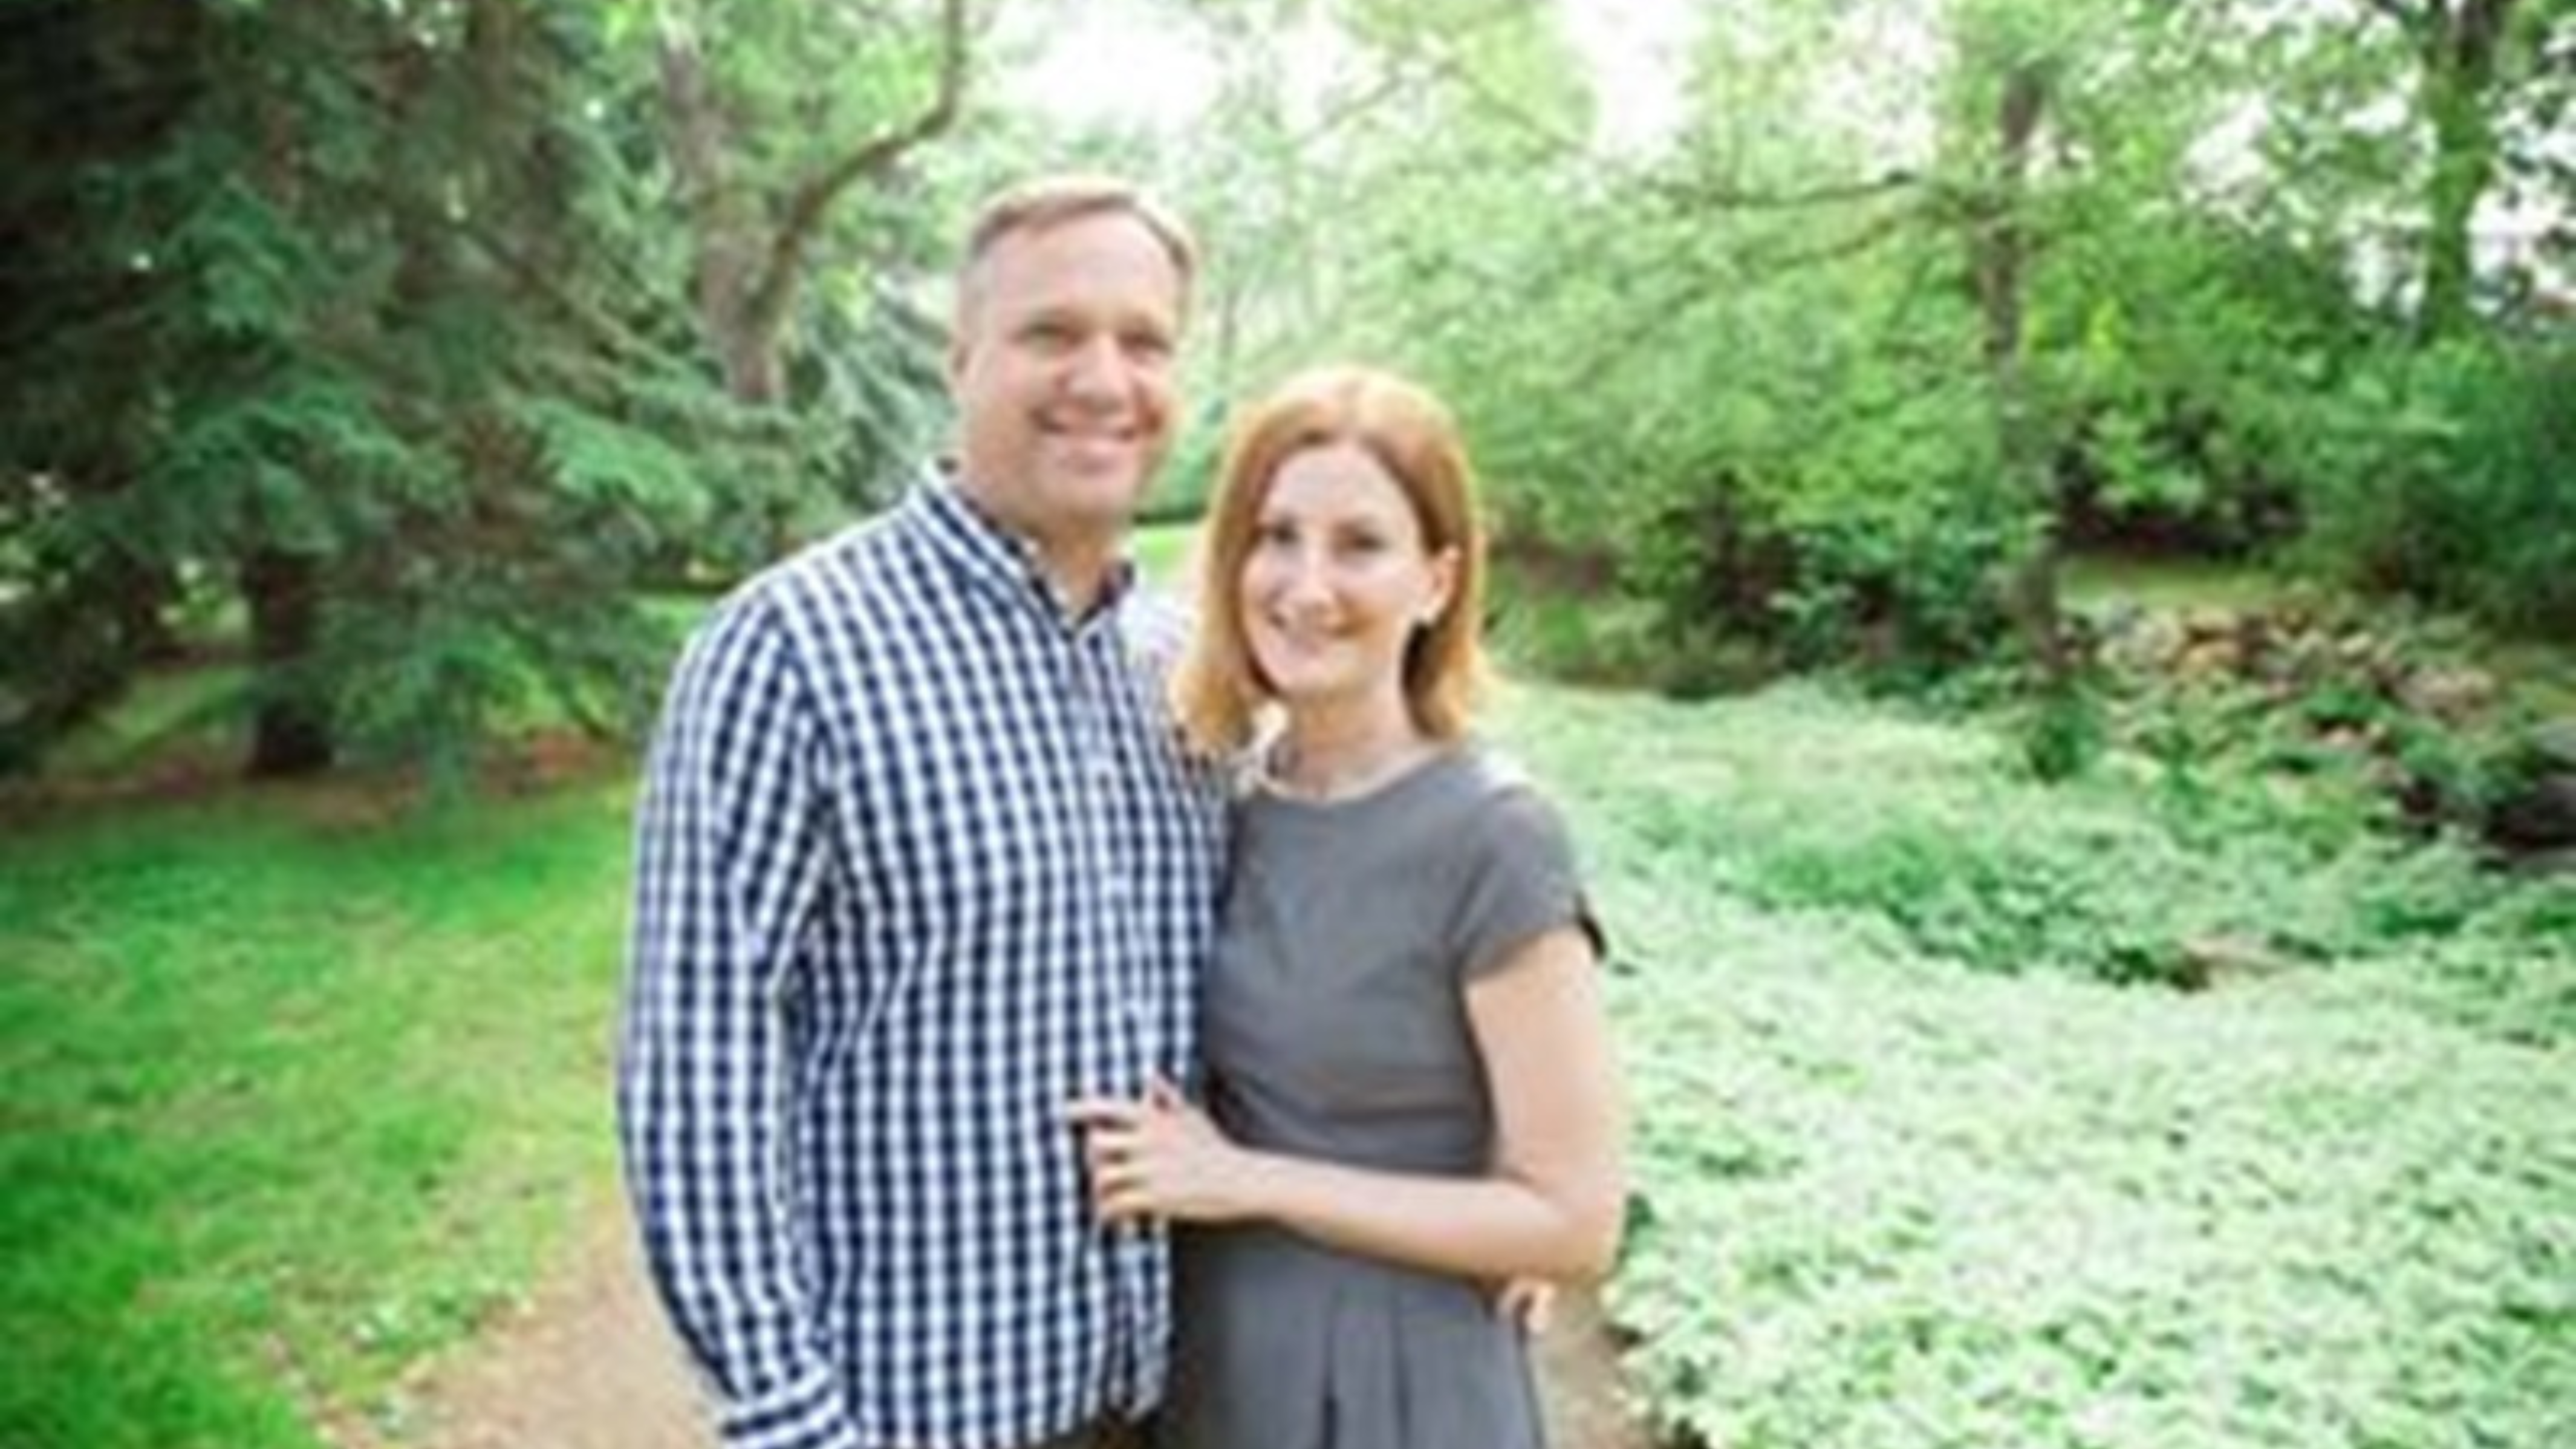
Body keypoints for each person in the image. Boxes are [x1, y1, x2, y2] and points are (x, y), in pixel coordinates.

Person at [617, 176, 1227, 1449]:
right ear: (962, 360)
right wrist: (791, 1421)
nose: (1104, 378)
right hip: (924, 1413)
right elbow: (699, 1070)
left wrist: (1473, 1195)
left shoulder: (1188, 669)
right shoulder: (790, 645)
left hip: (1182, 1392)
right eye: (1053, 333)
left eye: (1145, 340)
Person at [1070, 365, 1628, 1449]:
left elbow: (1574, 1219)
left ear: (1436, 581)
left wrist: (1243, 1180)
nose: (1305, 584)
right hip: (1219, 1363)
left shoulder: (1494, 833)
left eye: (1359, 544)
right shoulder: (1226, 796)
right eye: (1276, 536)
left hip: (1399, 1382)